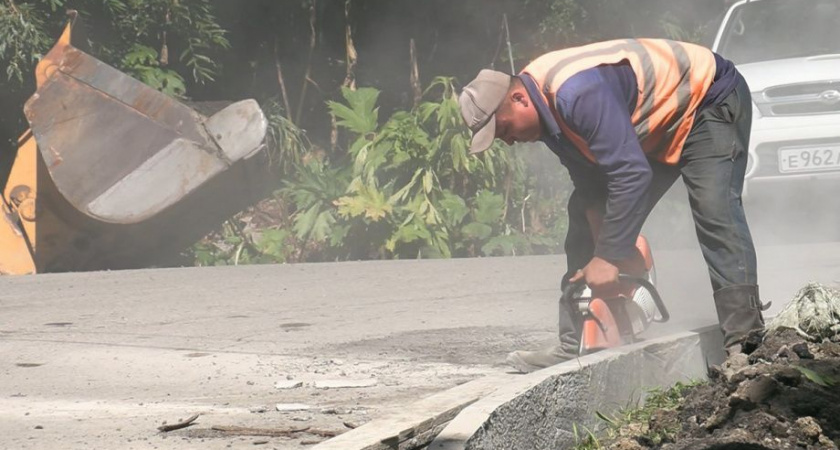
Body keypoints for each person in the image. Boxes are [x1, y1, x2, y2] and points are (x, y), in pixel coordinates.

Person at [458, 38, 768, 373]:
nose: (506, 140)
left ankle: (746, 341)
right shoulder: (547, 115)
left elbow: (631, 174)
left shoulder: (576, 95)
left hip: (706, 99)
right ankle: (578, 341)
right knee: (582, 211)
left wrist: (607, 257)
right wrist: (611, 250)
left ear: (519, 99)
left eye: (502, 128)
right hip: (658, 118)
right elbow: (592, 188)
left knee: (713, 207)